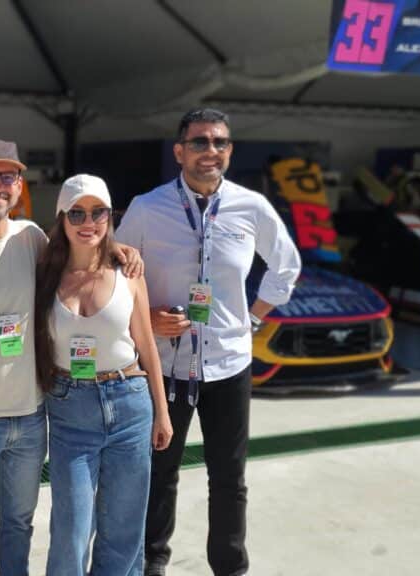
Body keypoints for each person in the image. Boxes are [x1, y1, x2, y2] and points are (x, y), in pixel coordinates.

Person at [0, 139, 142, 576]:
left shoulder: (33, 237)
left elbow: (82, 252)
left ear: (20, 185)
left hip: (30, 419)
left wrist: (120, 250)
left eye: (7, 177)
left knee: (18, 525)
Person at [117, 108, 302, 576]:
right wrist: (147, 320)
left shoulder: (251, 206)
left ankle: (230, 567)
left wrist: (253, 321)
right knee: (159, 476)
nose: (210, 151)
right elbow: (114, 276)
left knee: (229, 480)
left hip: (229, 365)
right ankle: (151, 564)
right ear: (179, 152)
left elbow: (286, 266)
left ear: (230, 150)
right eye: (199, 142)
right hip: (166, 367)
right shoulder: (146, 208)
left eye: (219, 142)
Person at [34, 174, 173, 576]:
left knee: (123, 529)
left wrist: (162, 413)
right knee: (72, 528)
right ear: (61, 218)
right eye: (76, 212)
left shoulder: (128, 270)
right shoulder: (44, 270)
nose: (88, 221)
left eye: (99, 212)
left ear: (111, 216)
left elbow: (147, 346)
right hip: (69, 409)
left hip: (129, 402)